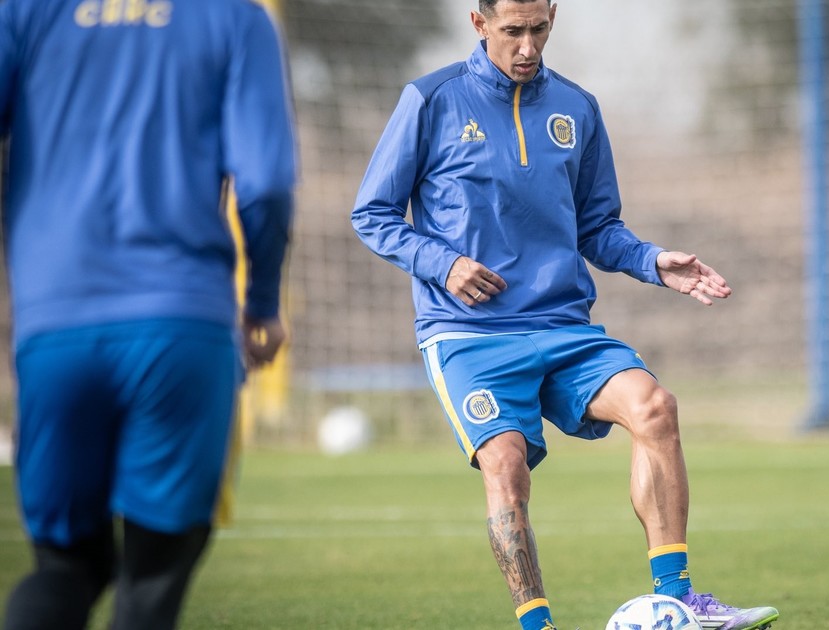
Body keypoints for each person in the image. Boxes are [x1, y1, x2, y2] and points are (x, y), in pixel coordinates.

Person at [351, 2, 779, 629]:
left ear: (552, 17)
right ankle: (538, 625)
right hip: (469, 334)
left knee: (655, 408)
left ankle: (681, 599)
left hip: (562, 326)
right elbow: (372, 214)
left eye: (539, 29)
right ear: (479, 24)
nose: (527, 46)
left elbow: (598, 227)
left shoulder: (576, 108)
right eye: (512, 31)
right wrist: (444, 264)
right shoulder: (431, 100)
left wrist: (654, 262)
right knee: (506, 465)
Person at [0, 0, 295, 628]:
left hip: (54, 324)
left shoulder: (23, 11)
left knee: (65, 566)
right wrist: (263, 303)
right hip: (182, 324)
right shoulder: (236, 19)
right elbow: (267, 181)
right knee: (153, 575)